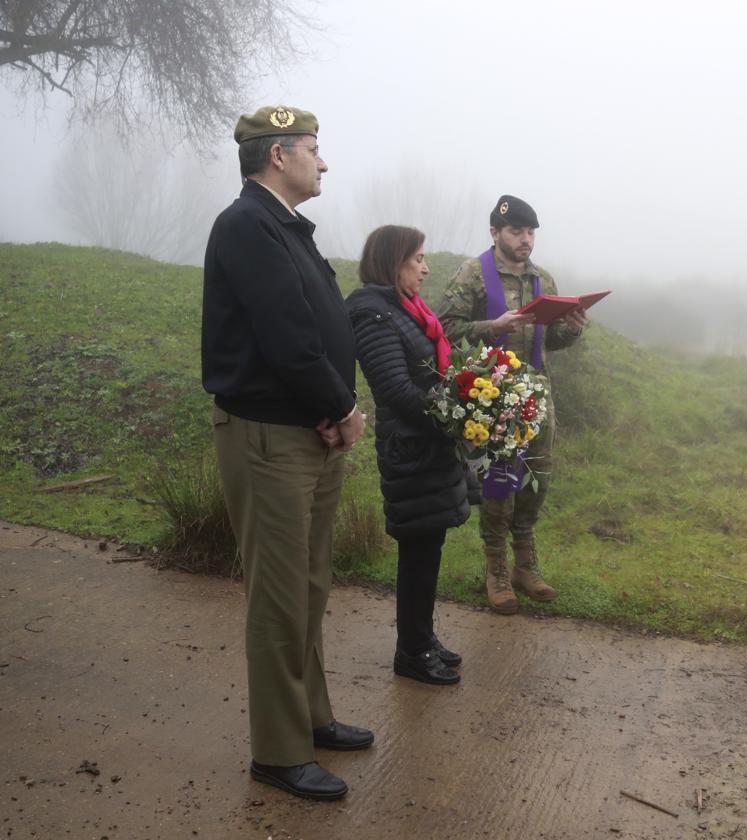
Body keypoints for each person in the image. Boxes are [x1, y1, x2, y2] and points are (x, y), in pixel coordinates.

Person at [201, 105, 372, 802]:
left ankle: (310, 716)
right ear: (279, 156)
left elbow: (310, 326)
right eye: (313, 149)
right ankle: (277, 751)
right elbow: (285, 334)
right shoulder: (247, 225)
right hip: (272, 437)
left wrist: (327, 415)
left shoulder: (287, 228)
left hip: (308, 432)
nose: (323, 161)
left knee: (309, 585)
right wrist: (341, 409)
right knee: (277, 597)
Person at [438, 195, 587, 614]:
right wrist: (492, 326)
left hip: (538, 392)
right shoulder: (472, 275)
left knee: (538, 473)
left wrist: (572, 330)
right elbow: (444, 329)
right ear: (495, 233)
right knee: (500, 479)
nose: (525, 240)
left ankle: (526, 563)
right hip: (492, 394)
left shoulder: (544, 281)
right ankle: (496, 568)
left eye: (530, 233)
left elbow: (551, 338)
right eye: (516, 232)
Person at [346, 225, 471, 686]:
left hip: (429, 445)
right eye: (417, 258)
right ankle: (412, 651)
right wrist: (457, 414)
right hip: (412, 448)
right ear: (392, 262)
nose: (425, 266)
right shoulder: (373, 314)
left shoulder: (408, 311)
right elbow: (396, 390)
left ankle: (422, 636)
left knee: (428, 546)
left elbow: (431, 371)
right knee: (418, 548)